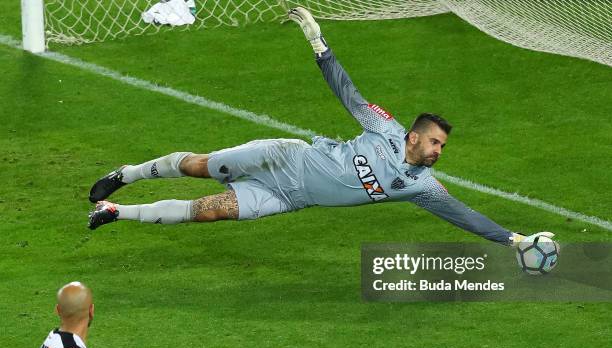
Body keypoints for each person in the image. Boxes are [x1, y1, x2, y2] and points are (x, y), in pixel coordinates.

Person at [87, 7, 552, 247]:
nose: (438, 151)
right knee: (198, 168)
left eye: (442, 147)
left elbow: (464, 216)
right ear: (413, 136)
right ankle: (127, 174)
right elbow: (348, 94)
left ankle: (113, 213)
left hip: (291, 196)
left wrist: (513, 238)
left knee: (206, 211)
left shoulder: (424, 188)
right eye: (435, 142)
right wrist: (319, 44)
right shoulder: (384, 128)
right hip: (286, 157)